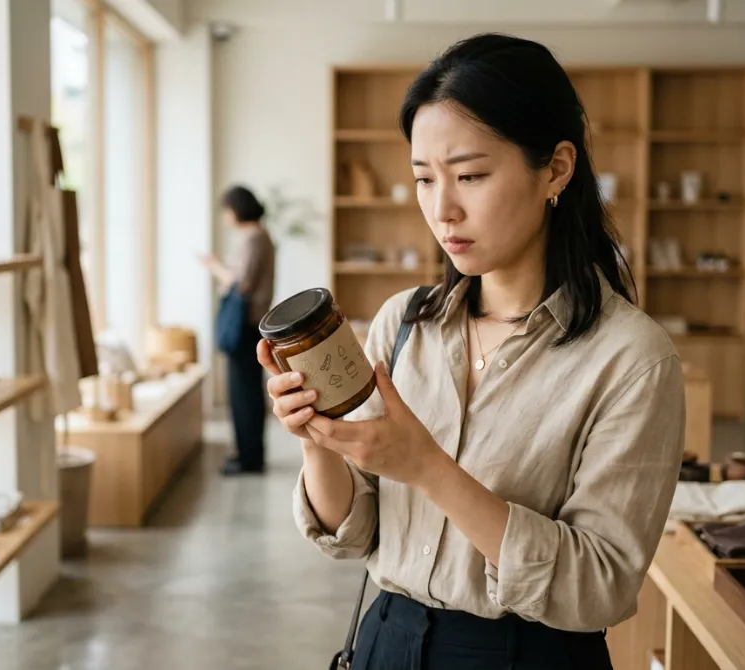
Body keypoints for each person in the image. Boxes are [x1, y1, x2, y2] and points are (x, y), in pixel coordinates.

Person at [258, 34, 685, 669]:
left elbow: (603, 584)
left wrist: (430, 469)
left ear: (556, 170)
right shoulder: (406, 323)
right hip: (387, 640)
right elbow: (354, 537)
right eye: (424, 179)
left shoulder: (630, 359)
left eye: (471, 176)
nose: (442, 209)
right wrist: (316, 438)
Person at [202, 185, 276, 475]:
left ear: (236, 209)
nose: (225, 217)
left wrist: (215, 267)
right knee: (247, 391)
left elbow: (242, 283)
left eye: (226, 211)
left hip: (245, 324)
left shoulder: (253, 237)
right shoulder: (261, 235)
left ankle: (249, 458)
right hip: (252, 322)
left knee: (242, 393)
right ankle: (249, 454)